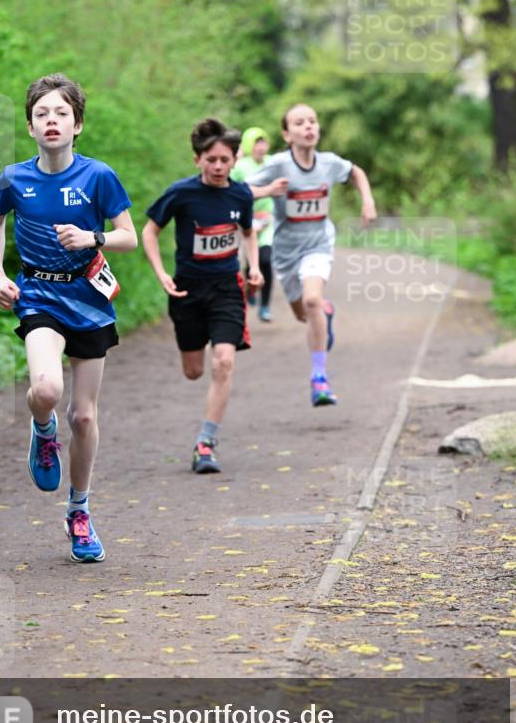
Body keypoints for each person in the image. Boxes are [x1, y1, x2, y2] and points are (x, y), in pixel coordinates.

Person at [0, 73, 137, 563]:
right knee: (47, 390)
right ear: (30, 127)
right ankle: (42, 429)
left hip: (89, 299)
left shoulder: (98, 176)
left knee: (85, 414)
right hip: (39, 297)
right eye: (42, 114)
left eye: (61, 113)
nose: (52, 121)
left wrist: (93, 239)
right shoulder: (15, 178)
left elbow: (128, 236)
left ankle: (79, 511)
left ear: (78, 125)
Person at [141, 117, 268, 474]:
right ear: (198, 159)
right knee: (195, 371)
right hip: (187, 290)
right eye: (210, 159)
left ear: (234, 160)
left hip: (227, 289)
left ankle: (206, 442)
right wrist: (161, 273)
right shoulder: (181, 193)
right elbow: (149, 231)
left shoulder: (240, 194)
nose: (217, 166)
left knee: (223, 362)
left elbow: (248, 232)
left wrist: (253, 266)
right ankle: (204, 433)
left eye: (224, 160)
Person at [247, 102, 376, 407]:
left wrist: (367, 201)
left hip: (318, 243)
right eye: (300, 123)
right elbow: (239, 189)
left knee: (312, 300)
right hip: (286, 251)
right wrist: (267, 192)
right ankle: (324, 314)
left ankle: (319, 378)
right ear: (287, 134)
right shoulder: (278, 165)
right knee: (303, 313)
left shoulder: (329, 163)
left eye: (312, 122)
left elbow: (356, 172)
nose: (308, 127)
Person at [231, 127, 275, 322]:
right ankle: (250, 290)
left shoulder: (273, 164)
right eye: (256, 143)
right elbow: (229, 188)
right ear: (249, 145)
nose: (260, 147)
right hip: (246, 219)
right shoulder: (240, 166)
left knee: (266, 260)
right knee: (250, 261)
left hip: (268, 220)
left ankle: (265, 306)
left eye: (263, 142)